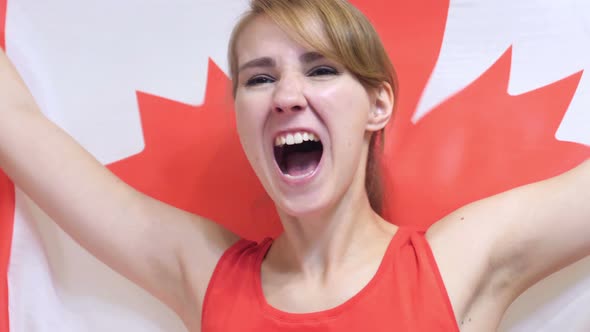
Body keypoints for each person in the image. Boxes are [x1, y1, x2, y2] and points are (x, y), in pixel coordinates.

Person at [0, 0, 588, 331]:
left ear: (377, 105)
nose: (285, 96)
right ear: (241, 117)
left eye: (321, 70)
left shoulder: (457, 263)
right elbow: (18, 127)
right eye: (259, 78)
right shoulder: (206, 274)